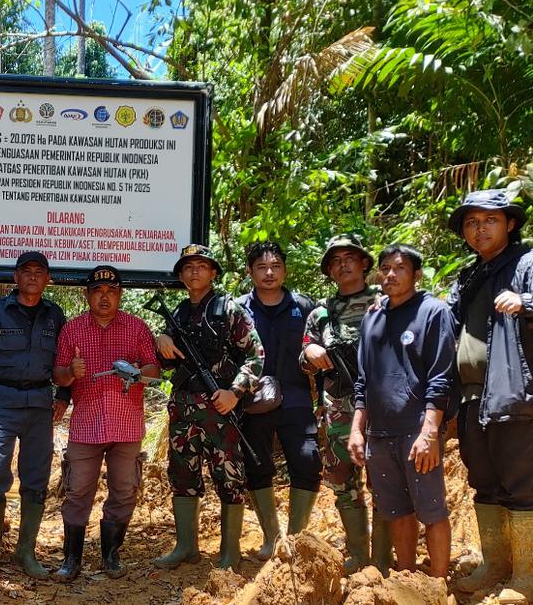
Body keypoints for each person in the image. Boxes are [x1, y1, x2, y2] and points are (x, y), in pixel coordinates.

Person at [446, 189, 533, 602]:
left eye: (490, 220)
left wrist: (527, 301)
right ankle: (495, 565)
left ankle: (526, 576)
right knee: (484, 484)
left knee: (521, 487)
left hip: (518, 397)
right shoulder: (468, 277)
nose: (479, 229)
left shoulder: (532, 264)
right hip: (471, 400)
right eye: (471, 222)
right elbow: (445, 324)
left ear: (510, 223)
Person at [154, 245, 265, 571]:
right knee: (182, 475)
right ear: (181, 276)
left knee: (229, 477)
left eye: (201, 266)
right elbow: (166, 361)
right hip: (183, 408)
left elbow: (256, 356)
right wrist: (161, 340)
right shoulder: (177, 313)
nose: (194, 272)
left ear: (213, 272)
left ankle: (230, 551)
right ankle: (186, 547)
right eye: (188, 267)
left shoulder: (228, 309)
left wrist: (235, 393)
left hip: (220, 408)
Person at [349, 244, 455, 578]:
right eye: (385, 269)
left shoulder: (433, 312)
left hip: (417, 430)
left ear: (416, 274)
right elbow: (363, 380)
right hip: (379, 434)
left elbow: (441, 377)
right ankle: (407, 580)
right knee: (396, 511)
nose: (391, 275)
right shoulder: (373, 317)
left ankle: (438, 585)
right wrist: (356, 430)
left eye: (400, 268)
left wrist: (430, 432)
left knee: (432, 511)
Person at [51, 265, 160, 582]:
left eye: (111, 291)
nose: (104, 297)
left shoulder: (137, 328)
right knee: (77, 490)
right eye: (98, 291)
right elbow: (58, 374)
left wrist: (138, 372)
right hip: (86, 424)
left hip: (126, 424)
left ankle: (111, 555)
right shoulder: (72, 330)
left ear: (120, 294)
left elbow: (154, 370)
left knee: (124, 491)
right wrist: (70, 372)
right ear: (87, 295)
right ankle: (71, 559)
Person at [0, 251, 68, 578]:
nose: (33, 276)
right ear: (16, 277)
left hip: (40, 403)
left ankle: (26, 551)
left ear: (47, 279)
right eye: (26, 271)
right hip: (2, 400)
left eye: (39, 271)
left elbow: (64, 360)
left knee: (36, 478)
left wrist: (63, 396)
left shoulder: (55, 315)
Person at [299, 233, 393, 573]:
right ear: (329, 270)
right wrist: (310, 351)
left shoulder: (386, 301)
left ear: (364, 263)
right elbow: (304, 359)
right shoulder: (321, 314)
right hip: (339, 408)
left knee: (385, 481)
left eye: (349, 258)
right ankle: (359, 555)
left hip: (383, 406)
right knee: (343, 482)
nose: (343, 265)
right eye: (335, 261)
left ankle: (382, 560)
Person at [236, 242, 320, 560]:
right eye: (261, 267)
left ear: (285, 270)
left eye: (275, 266)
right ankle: (271, 539)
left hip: (296, 397)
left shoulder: (304, 305)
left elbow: (321, 347)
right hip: (253, 399)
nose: (269, 273)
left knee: (308, 460)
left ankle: (294, 541)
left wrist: (324, 400)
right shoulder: (238, 308)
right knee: (257, 465)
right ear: (250, 271)